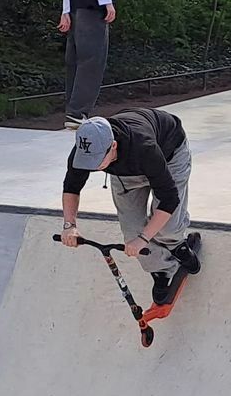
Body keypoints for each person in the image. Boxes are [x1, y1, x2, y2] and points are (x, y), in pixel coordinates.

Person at [59, 110, 201, 306]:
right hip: (125, 174)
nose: (92, 166)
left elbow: (169, 199)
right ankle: (161, 268)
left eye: (98, 160)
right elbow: (71, 187)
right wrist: (69, 225)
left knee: (166, 227)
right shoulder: (84, 148)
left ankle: (177, 244)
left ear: (113, 146)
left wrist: (144, 238)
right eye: (88, 160)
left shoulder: (143, 146)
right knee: (132, 233)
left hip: (169, 155)